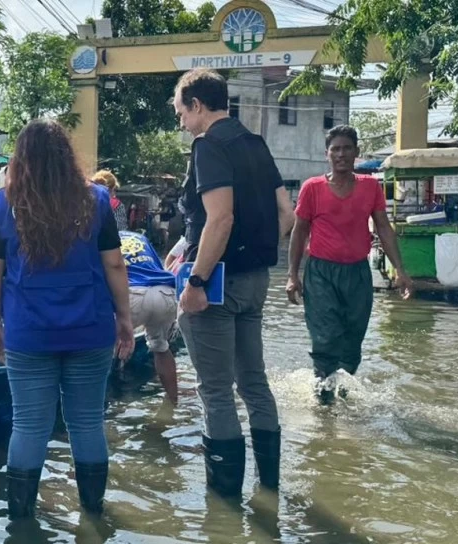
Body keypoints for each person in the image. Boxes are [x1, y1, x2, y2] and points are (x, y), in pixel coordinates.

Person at [0, 120, 135, 521]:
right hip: (90, 329)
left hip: (27, 334)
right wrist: (125, 318)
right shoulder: (97, 201)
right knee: (86, 422)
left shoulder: (0, 207)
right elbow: (115, 265)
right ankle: (93, 512)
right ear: (67, 158)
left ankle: (20, 519)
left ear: (21, 159)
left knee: (30, 425)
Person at [173, 68, 296, 496]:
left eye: (181, 113)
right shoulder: (256, 144)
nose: (182, 123)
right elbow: (287, 215)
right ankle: (269, 488)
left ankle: (224, 507)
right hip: (256, 280)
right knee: (254, 383)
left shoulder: (208, 146)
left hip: (216, 284)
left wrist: (197, 279)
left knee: (216, 392)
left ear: (198, 105)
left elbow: (220, 218)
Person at [287, 125, 413, 404]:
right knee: (326, 337)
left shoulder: (370, 187)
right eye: (335, 149)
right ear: (327, 154)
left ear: (356, 153)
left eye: (346, 148)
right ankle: (322, 402)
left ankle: (342, 393)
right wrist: (293, 275)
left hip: (357, 273)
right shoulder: (312, 188)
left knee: (352, 342)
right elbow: (299, 232)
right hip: (321, 273)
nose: (341, 154)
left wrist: (401, 272)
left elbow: (384, 228)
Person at [120, 229, 179, 405]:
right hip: (165, 292)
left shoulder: (101, 238)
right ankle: (172, 403)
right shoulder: (140, 238)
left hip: (132, 294)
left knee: (101, 351)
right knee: (161, 347)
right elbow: (158, 266)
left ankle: (107, 403)